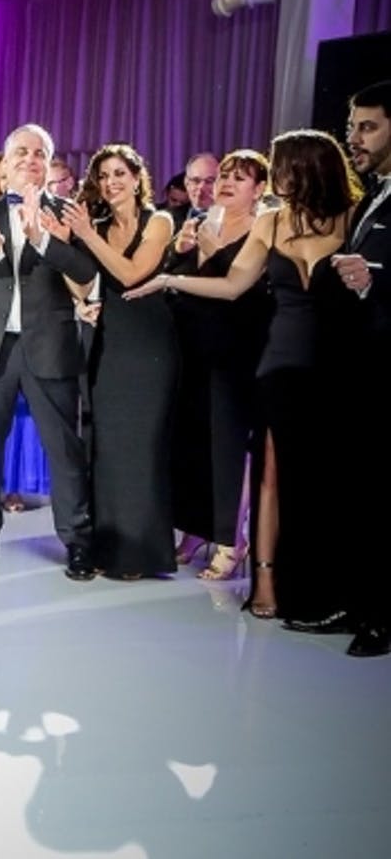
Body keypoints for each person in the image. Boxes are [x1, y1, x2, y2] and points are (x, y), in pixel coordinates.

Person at [126, 130, 360, 632]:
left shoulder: (351, 217)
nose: (275, 177)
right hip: (278, 359)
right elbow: (233, 285)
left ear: (309, 167)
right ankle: (267, 582)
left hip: (335, 363)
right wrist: (169, 277)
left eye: (281, 166)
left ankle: (329, 586)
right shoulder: (273, 220)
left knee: (327, 477)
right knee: (270, 475)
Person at [0, 124, 97, 578]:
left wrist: (44, 240)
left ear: (48, 163)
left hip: (49, 342)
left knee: (63, 448)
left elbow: (86, 272)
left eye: (39, 153)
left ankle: (77, 541)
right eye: (21, 151)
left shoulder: (66, 212)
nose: (30, 159)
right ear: (5, 161)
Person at [60, 144, 178, 579]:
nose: (111, 183)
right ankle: (108, 548)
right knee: (107, 447)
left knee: (142, 448)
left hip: (149, 346)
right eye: (104, 176)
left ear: (136, 177)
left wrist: (87, 236)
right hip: (107, 343)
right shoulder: (96, 226)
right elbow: (80, 282)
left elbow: (132, 274)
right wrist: (77, 291)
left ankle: (142, 553)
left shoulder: (159, 220)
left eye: (119, 174)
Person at [164, 150, 271, 582]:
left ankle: (231, 539)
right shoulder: (204, 219)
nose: (225, 183)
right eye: (224, 175)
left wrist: (209, 252)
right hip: (193, 346)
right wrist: (180, 250)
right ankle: (194, 530)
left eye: (239, 178)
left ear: (259, 189)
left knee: (228, 447)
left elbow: (237, 287)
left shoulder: (263, 226)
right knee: (192, 441)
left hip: (237, 349)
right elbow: (177, 278)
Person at [331, 80, 391, 656]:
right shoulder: (375, 193)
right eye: (352, 127)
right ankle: (361, 605)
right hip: (361, 371)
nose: (355, 138)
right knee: (363, 494)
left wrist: (375, 282)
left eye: (368, 127)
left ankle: (381, 619)